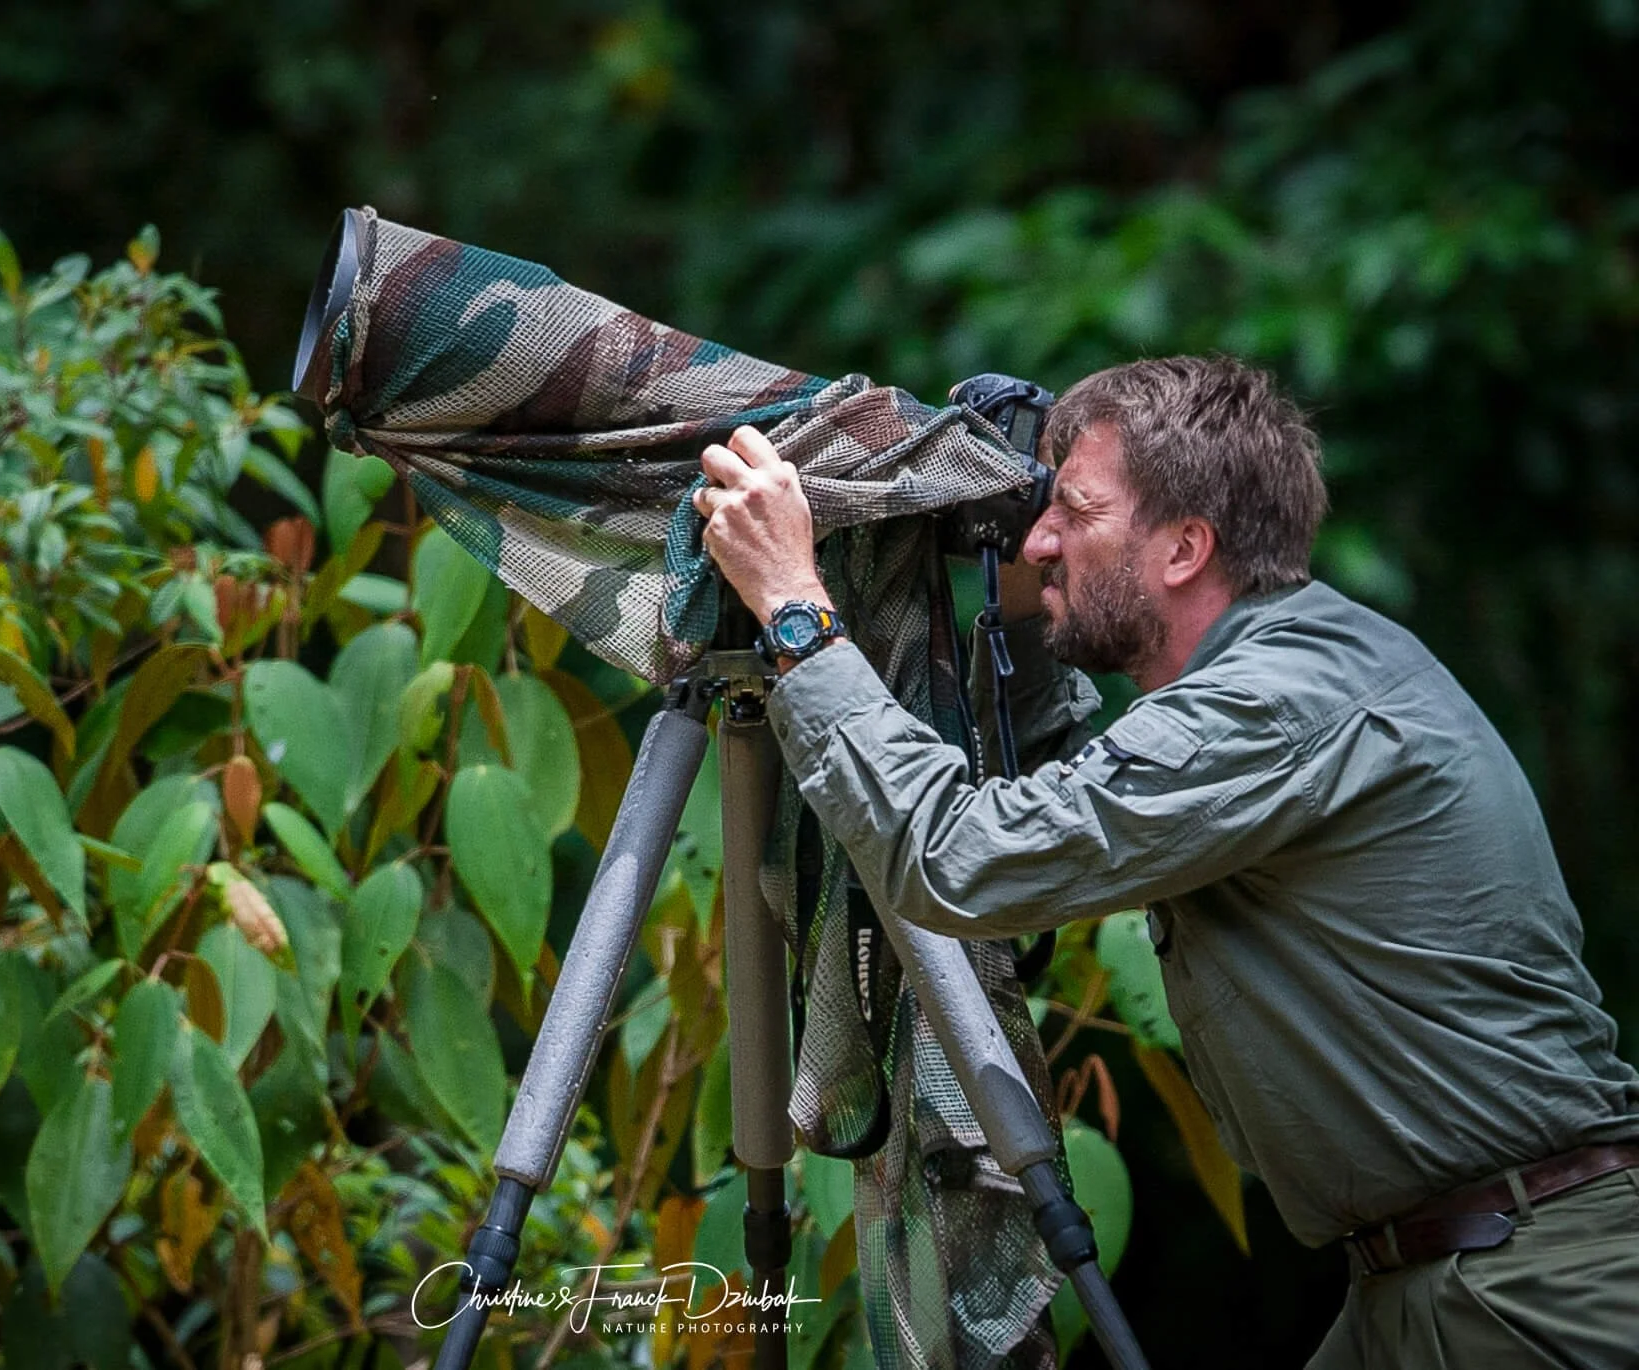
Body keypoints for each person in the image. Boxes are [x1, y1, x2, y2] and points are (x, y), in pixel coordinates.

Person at [690, 355, 1639, 1368]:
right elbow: (1040, 807)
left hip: (1528, 1285)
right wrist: (1002, 591)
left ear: (1185, 546)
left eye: (1073, 511)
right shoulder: (1276, 675)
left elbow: (964, 860)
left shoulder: (1274, 704)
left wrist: (796, 604)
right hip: (1427, 1274)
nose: (1042, 539)